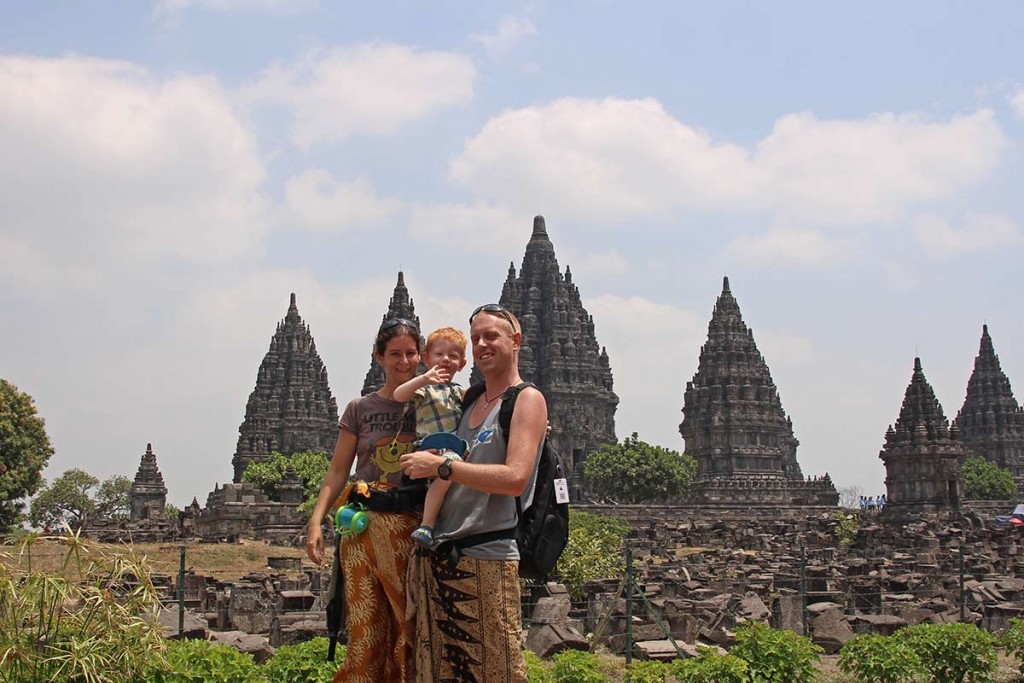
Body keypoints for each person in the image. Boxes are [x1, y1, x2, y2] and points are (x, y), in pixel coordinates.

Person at [400, 303, 547, 683]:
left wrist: (442, 468)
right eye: (476, 337)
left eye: (491, 336)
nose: (482, 344)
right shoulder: (466, 400)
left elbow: (515, 478)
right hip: (440, 556)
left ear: (516, 341)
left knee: (498, 671)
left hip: (487, 558)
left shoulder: (526, 399)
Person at [306, 318, 423, 683]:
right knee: (364, 632)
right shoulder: (360, 408)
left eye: (410, 353)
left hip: (412, 530)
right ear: (379, 356)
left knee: (412, 630)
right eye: (395, 354)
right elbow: (338, 471)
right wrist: (316, 521)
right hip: (361, 528)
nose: (403, 362)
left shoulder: (434, 404)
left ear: (420, 355)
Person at [392, 327, 469, 547]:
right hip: (429, 446)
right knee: (448, 472)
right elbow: (399, 395)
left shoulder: (458, 391)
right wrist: (423, 379)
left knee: (452, 476)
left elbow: (486, 403)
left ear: (462, 364)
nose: (445, 359)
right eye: (439, 354)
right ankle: (426, 525)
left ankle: (437, 525)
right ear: (426, 359)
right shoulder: (425, 388)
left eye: (453, 356)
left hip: (453, 447)